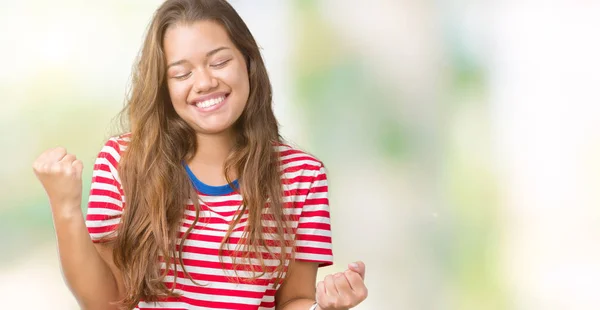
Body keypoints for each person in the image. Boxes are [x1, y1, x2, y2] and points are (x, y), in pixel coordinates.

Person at [32, 0, 368, 309]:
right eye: (181, 73)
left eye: (219, 62)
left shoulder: (302, 175)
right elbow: (105, 302)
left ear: (248, 62)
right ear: (164, 87)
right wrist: (65, 208)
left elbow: (294, 299)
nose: (204, 82)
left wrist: (325, 307)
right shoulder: (124, 161)